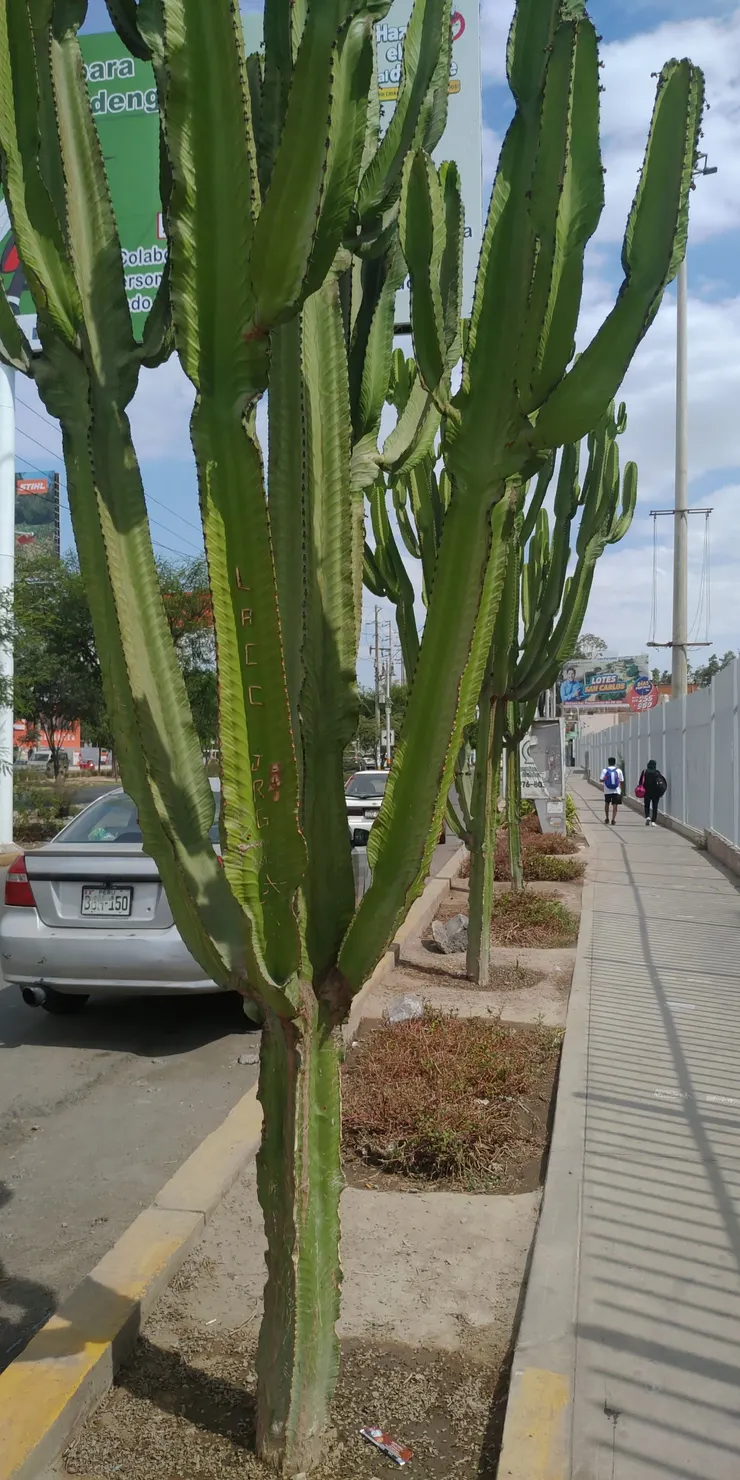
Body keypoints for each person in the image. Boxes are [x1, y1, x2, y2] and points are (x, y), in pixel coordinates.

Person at [639, 759, 666, 826]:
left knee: (647, 805)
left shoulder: (645, 772)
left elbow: (640, 781)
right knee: (655, 806)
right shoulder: (657, 773)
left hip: (646, 791)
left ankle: (647, 816)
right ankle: (653, 821)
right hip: (655, 793)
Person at [599, 755, 624, 825]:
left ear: (608, 762)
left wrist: (606, 778)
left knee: (607, 803)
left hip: (607, 790)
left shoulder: (604, 770)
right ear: (614, 763)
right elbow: (621, 781)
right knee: (615, 805)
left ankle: (607, 818)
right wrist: (620, 790)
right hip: (616, 790)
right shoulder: (619, 770)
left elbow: (601, 780)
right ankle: (613, 819)